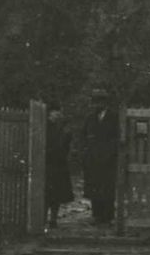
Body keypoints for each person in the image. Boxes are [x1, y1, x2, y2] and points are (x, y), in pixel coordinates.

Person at [81, 89, 119, 226]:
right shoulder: (90, 118)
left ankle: (108, 216)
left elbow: (117, 138)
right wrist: (86, 151)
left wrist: (109, 153)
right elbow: (83, 135)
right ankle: (96, 215)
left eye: (98, 102)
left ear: (105, 103)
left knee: (107, 188)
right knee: (94, 188)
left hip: (108, 159)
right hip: (92, 159)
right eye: (94, 102)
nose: (96, 105)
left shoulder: (114, 117)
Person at [44, 103, 74, 229]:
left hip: (59, 164)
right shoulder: (44, 126)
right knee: (46, 194)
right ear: (50, 112)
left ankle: (53, 220)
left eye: (59, 112)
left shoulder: (60, 127)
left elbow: (65, 145)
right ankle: (42, 219)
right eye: (56, 112)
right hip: (48, 163)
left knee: (57, 195)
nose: (58, 114)